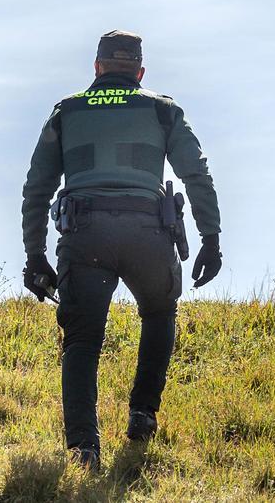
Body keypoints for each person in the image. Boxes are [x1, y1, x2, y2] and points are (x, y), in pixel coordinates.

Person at [20, 30, 222, 471]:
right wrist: (211, 237)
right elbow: (197, 173)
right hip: (148, 232)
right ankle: (143, 413)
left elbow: (37, 188)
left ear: (97, 68)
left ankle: (84, 449)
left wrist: (35, 254)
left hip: (85, 233)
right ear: (140, 71)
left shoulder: (66, 111)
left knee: (83, 339)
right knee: (159, 312)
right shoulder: (162, 109)